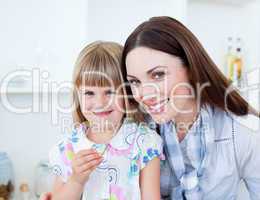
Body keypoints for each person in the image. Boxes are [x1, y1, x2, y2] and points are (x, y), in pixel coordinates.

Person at [121, 16, 260, 200]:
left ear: (191, 67)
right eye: (135, 81)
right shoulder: (135, 132)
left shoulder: (244, 132)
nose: (145, 94)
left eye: (157, 75)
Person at [48, 41, 164, 200]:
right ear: (78, 96)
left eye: (110, 92)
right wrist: (76, 181)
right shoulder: (68, 148)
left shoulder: (145, 143)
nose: (100, 103)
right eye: (89, 93)